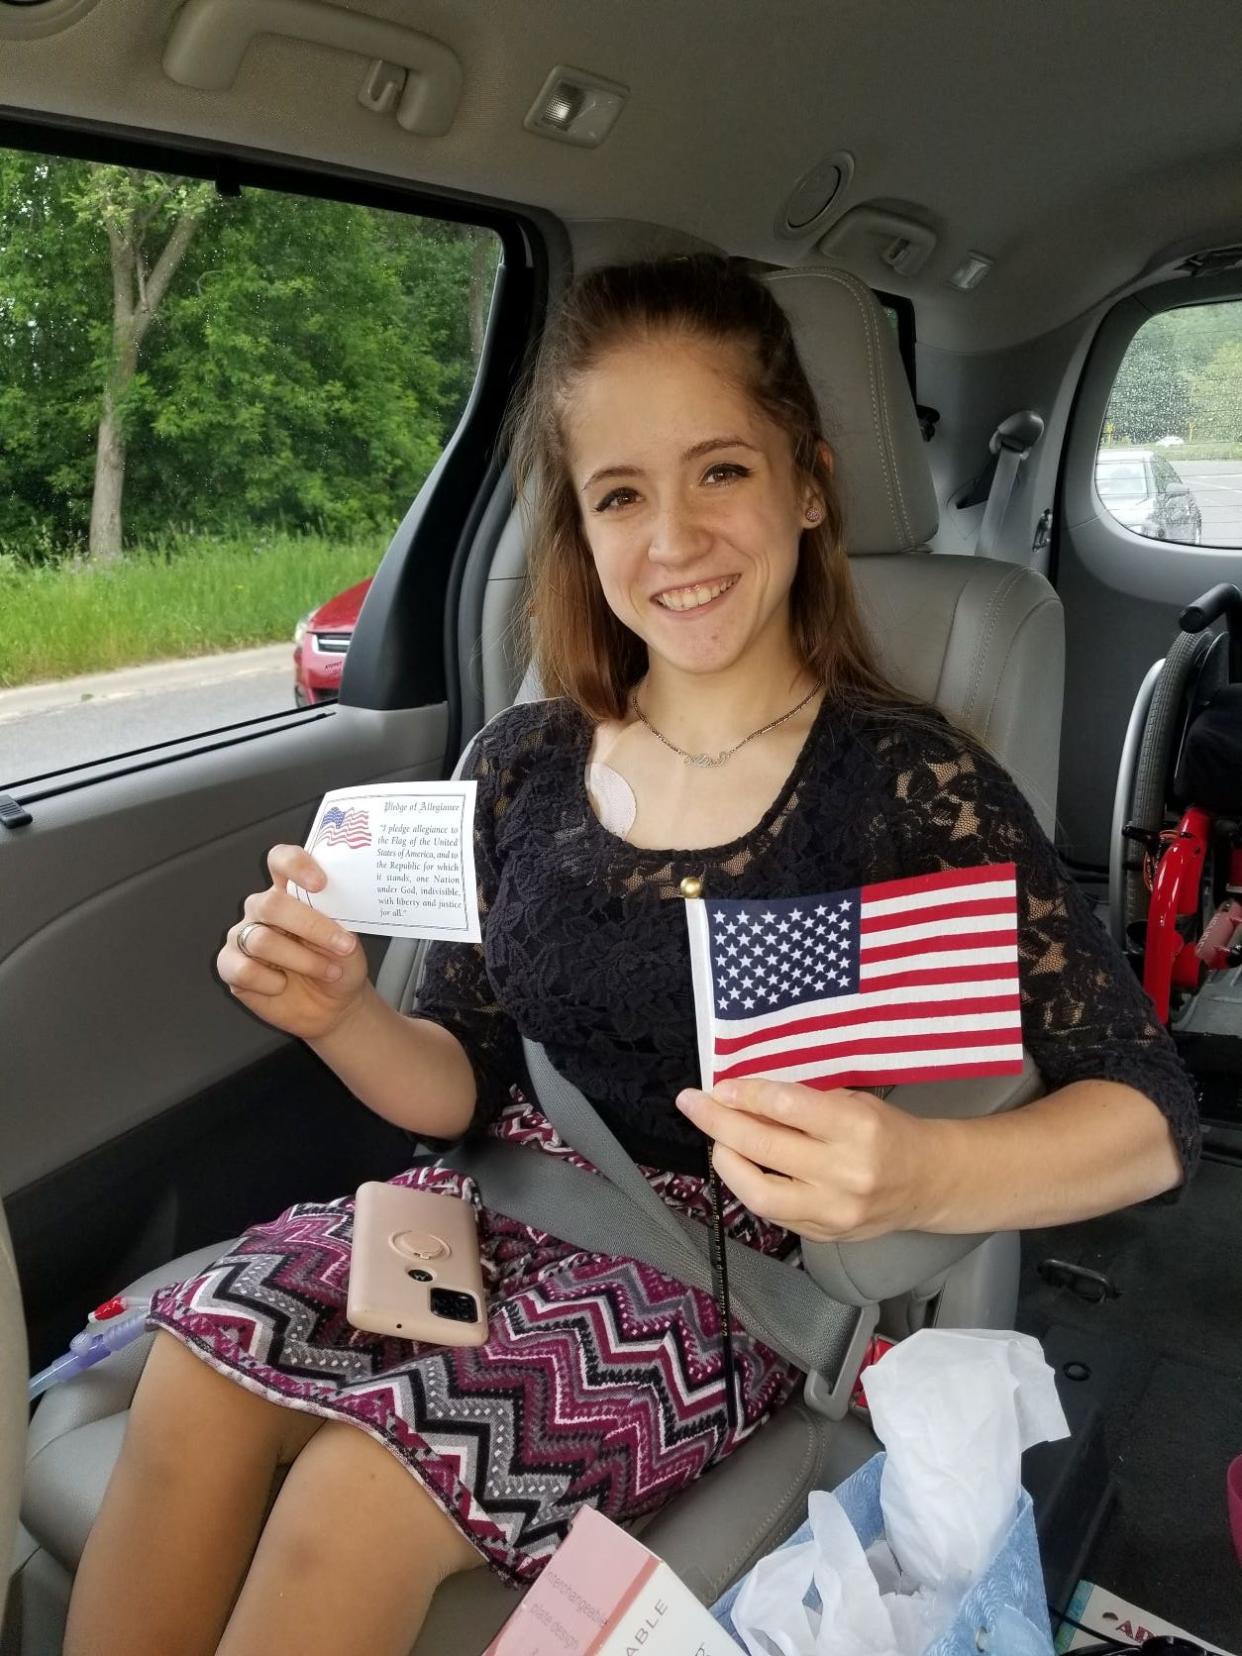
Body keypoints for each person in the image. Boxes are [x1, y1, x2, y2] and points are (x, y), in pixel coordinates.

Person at [66, 255, 1200, 1656]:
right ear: (582, 530)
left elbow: (1149, 1113)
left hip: (708, 1276)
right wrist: (343, 1012)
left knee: (355, 1500)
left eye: (718, 471)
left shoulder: (907, 781)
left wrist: (926, 1170)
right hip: (465, 1209)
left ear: (805, 483)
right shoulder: (522, 760)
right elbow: (462, 1089)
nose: (671, 538)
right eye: (619, 495)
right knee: (187, 1372)